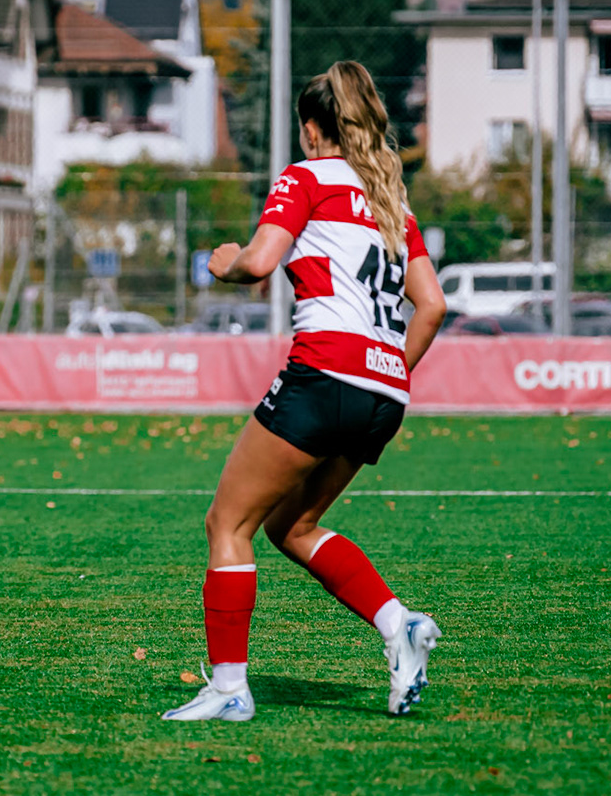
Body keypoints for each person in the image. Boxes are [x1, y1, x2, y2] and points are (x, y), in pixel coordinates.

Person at [162, 61, 448, 721]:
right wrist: (386, 369)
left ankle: (230, 690)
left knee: (227, 525)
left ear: (313, 128)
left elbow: (259, 262)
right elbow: (430, 306)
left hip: (324, 375)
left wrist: (222, 260)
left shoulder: (304, 178)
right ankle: (398, 624)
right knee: (291, 524)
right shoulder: (391, 205)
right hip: (383, 390)